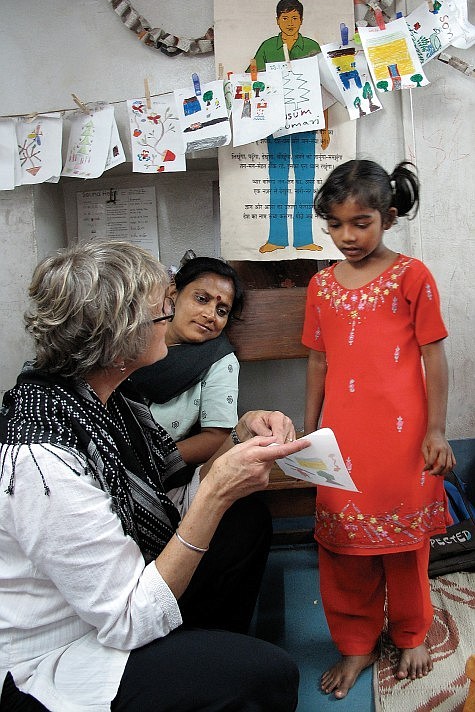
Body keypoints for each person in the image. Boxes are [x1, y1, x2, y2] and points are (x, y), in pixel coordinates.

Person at [0, 238, 311, 712]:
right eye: (162, 310)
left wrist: (241, 436)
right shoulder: (42, 458)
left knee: (245, 520)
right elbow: (127, 617)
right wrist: (215, 493)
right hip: (59, 651)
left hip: (116, 599)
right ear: (119, 334)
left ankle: (199, 647)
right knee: (268, 676)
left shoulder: (108, 400)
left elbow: (168, 491)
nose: (172, 318)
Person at [301, 159, 456, 699]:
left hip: (404, 435)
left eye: (360, 223)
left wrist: (437, 431)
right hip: (340, 437)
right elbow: (318, 361)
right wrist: (308, 429)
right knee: (342, 543)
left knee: (405, 539)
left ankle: (412, 630)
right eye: (336, 225)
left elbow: (434, 356)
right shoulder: (320, 286)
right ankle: (355, 644)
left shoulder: (413, 276)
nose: (347, 236)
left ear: (388, 218)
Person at [130, 254, 244, 465]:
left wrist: (150, 462)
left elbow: (217, 437)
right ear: (173, 293)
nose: (210, 315)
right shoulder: (135, 336)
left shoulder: (218, 360)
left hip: (163, 470)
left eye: (222, 311)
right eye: (201, 299)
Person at [249, 0, 325, 254]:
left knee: (305, 181)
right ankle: (277, 238)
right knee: (278, 180)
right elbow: (253, 84)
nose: (290, 23)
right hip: (276, 125)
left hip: (307, 122)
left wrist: (325, 126)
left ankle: (304, 239)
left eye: (294, 18)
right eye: (285, 18)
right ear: (277, 19)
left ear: (301, 20)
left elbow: (325, 89)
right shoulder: (267, 47)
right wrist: (252, 75)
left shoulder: (312, 46)